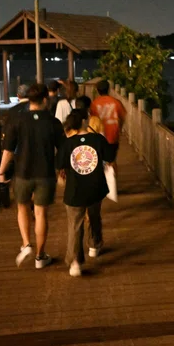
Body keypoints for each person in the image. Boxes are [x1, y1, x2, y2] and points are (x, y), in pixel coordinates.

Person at [0, 82, 65, 269]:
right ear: (45, 99)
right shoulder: (53, 122)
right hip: (45, 175)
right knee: (41, 213)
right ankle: (40, 256)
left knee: (22, 208)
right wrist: (61, 169)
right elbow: (63, 150)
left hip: (22, 173)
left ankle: (26, 244)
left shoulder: (17, 121)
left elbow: (8, 150)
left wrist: (1, 171)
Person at [57, 110, 112, 277]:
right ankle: (95, 245)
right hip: (96, 187)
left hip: (75, 189)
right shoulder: (98, 139)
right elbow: (109, 156)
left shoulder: (68, 143)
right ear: (83, 121)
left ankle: (75, 262)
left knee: (75, 225)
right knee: (94, 215)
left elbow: (59, 163)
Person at [89, 80, 125, 167]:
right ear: (108, 89)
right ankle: (113, 178)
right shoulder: (116, 102)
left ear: (97, 90)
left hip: (98, 137)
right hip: (113, 136)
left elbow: (92, 120)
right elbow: (122, 117)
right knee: (112, 161)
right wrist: (119, 129)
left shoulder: (94, 104)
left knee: (98, 161)